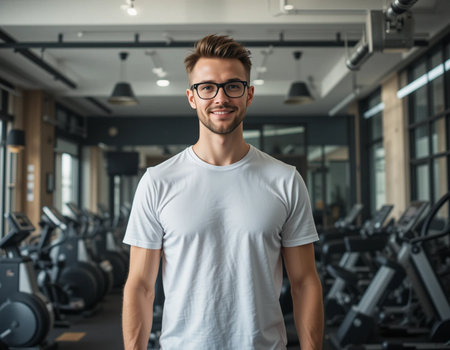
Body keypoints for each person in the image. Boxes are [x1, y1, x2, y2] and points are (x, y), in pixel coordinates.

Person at [122, 34, 324, 350]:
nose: (220, 98)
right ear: (192, 97)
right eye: (207, 87)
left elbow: (304, 283)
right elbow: (140, 286)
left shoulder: (285, 180)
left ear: (249, 94)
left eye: (233, 85)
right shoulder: (158, 181)